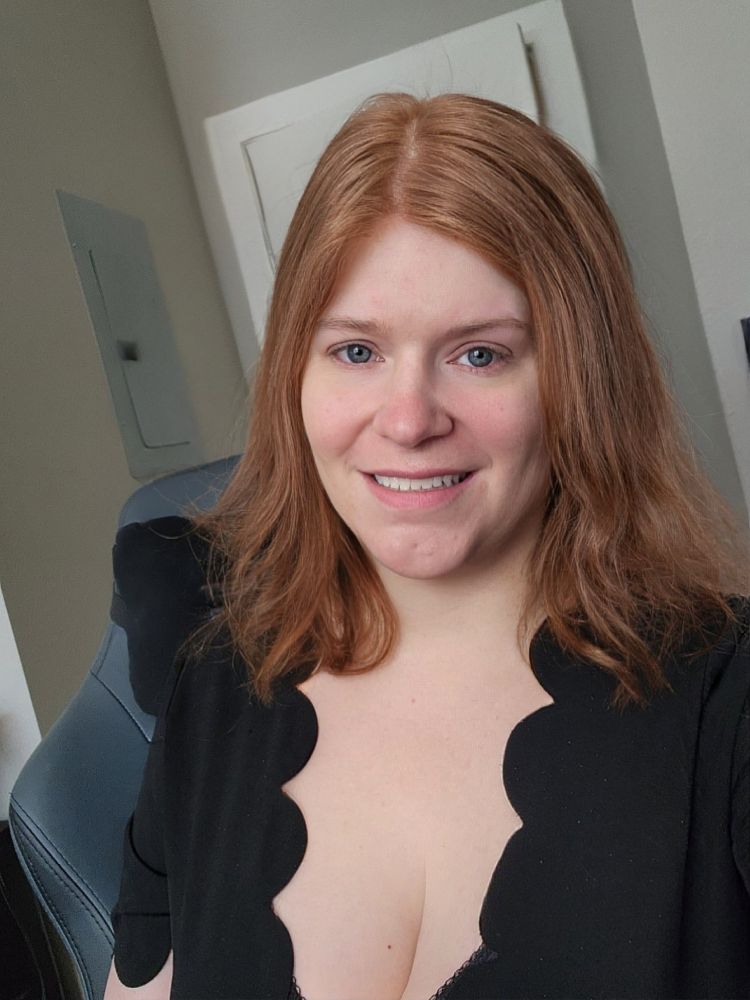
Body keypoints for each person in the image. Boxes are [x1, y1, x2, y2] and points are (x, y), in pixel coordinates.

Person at [103, 93, 750, 1000]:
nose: (408, 421)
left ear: (581, 379)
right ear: (297, 371)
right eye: (356, 352)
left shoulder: (730, 704)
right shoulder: (211, 693)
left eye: (480, 354)